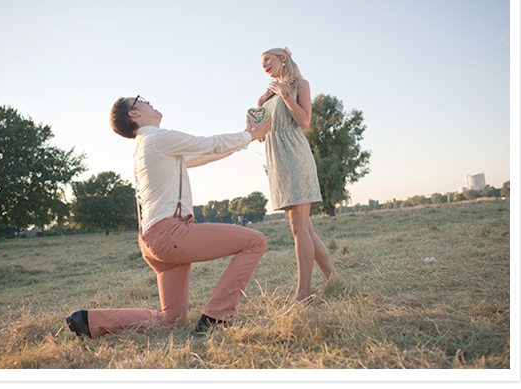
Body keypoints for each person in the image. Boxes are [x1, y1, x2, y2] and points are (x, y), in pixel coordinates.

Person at [66, 94, 271, 339]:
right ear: (134, 113)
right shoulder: (158, 138)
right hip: (170, 234)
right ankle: (217, 317)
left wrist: (247, 137)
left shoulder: (148, 146)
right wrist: (249, 134)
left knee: (171, 322)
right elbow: (210, 143)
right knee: (255, 241)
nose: (148, 101)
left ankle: (88, 321)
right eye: (140, 100)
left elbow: (206, 154)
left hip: (152, 241)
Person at [258, 47, 338, 303]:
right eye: (262, 63)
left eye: (267, 60)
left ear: (282, 59)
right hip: (277, 161)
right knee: (306, 229)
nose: (264, 65)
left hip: (295, 156)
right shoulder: (268, 95)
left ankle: (303, 293)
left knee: (298, 228)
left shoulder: (300, 85)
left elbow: (304, 122)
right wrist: (258, 115)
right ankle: (334, 280)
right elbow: (263, 132)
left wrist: (286, 95)